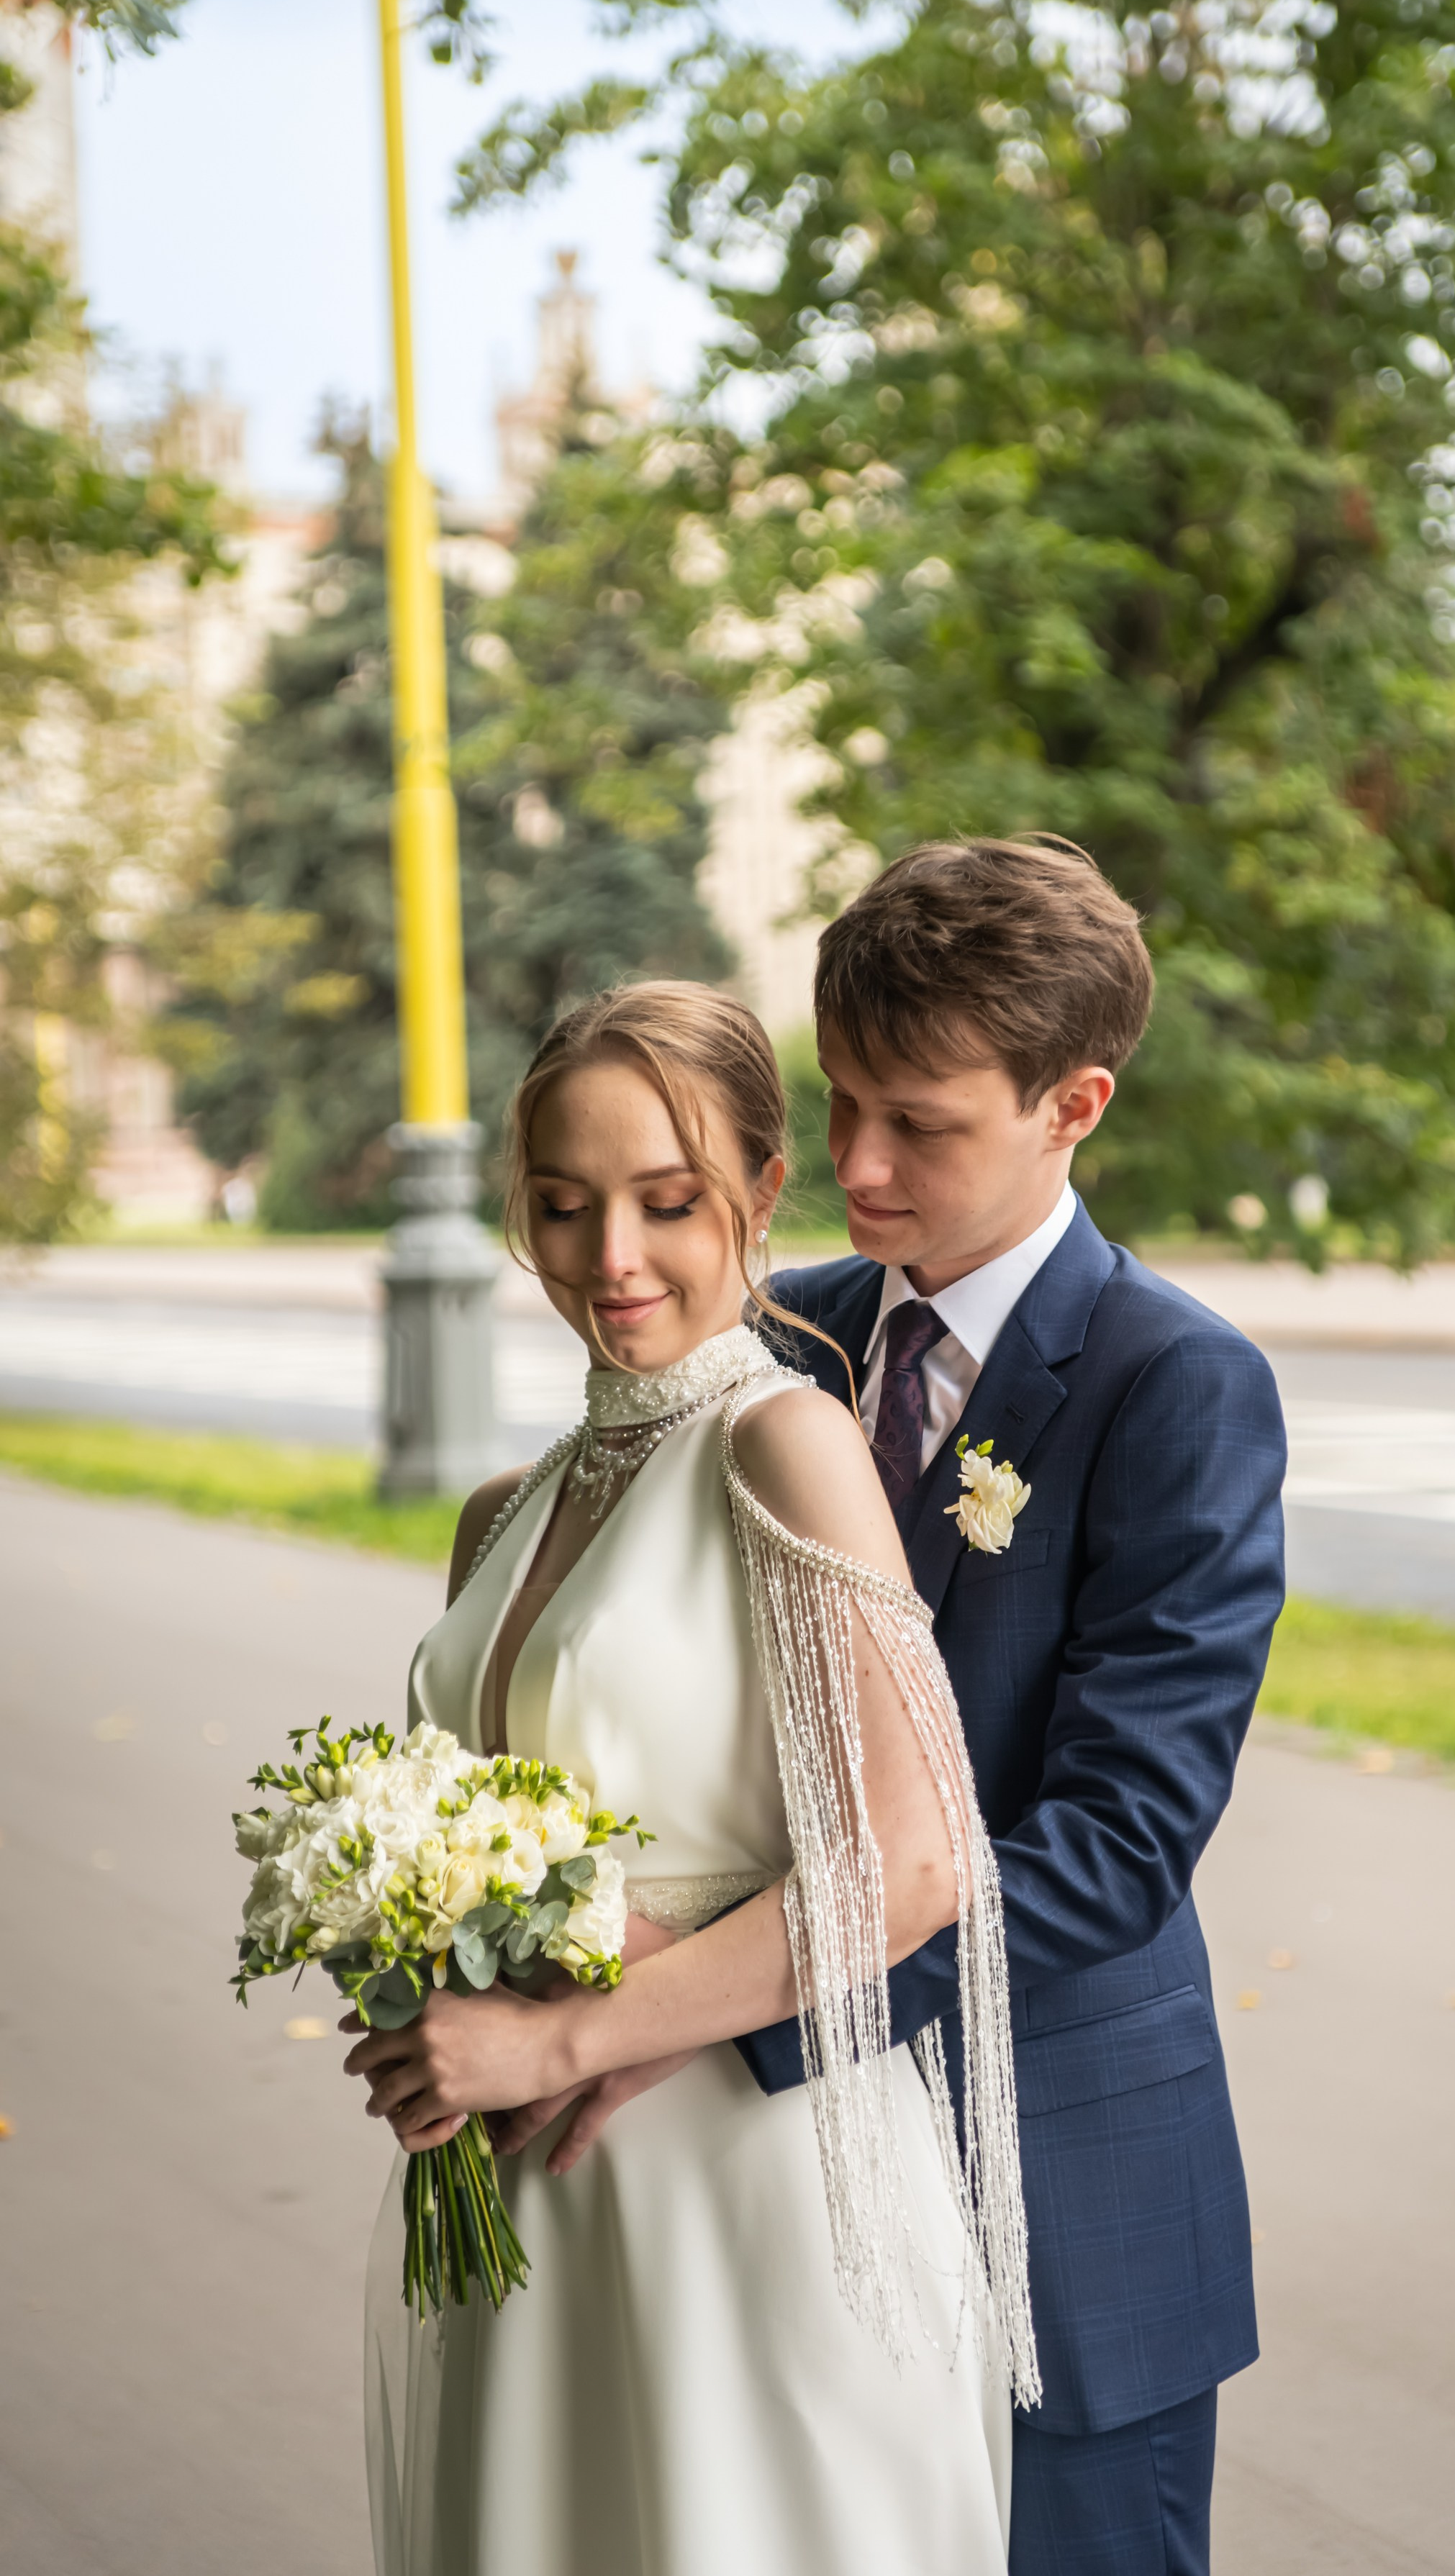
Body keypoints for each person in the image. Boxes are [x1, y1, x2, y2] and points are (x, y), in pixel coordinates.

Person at [345, 981, 1037, 2576]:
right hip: (527, 2196)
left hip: (740, 2182)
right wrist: (418, 1990)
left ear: (762, 1193)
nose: (612, 1259)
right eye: (563, 1206)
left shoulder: (779, 1443)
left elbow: (910, 1866)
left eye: (667, 1201)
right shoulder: (500, 1510)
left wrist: (559, 2031)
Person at [743, 838, 1287, 2576]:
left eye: (917, 1120)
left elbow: (1113, 1846)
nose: (855, 1165)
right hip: (766, 2201)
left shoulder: (1174, 1382)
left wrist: (739, 2006)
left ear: (1073, 1102)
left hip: (1058, 2185)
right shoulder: (781, 1341)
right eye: (835, 1105)